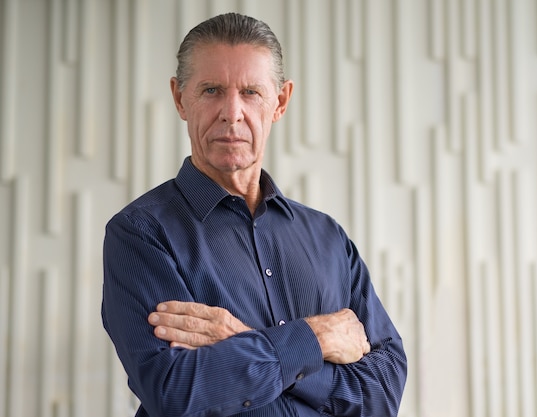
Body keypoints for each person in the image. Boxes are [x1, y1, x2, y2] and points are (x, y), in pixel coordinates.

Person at [101, 12, 407, 417]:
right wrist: (313, 340)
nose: (232, 112)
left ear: (279, 102)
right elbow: (176, 392)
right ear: (180, 98)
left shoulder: (328, 237)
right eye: (211, 90)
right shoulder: (140, 234)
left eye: (250, 92)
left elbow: (382, 393)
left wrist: (244, 343)